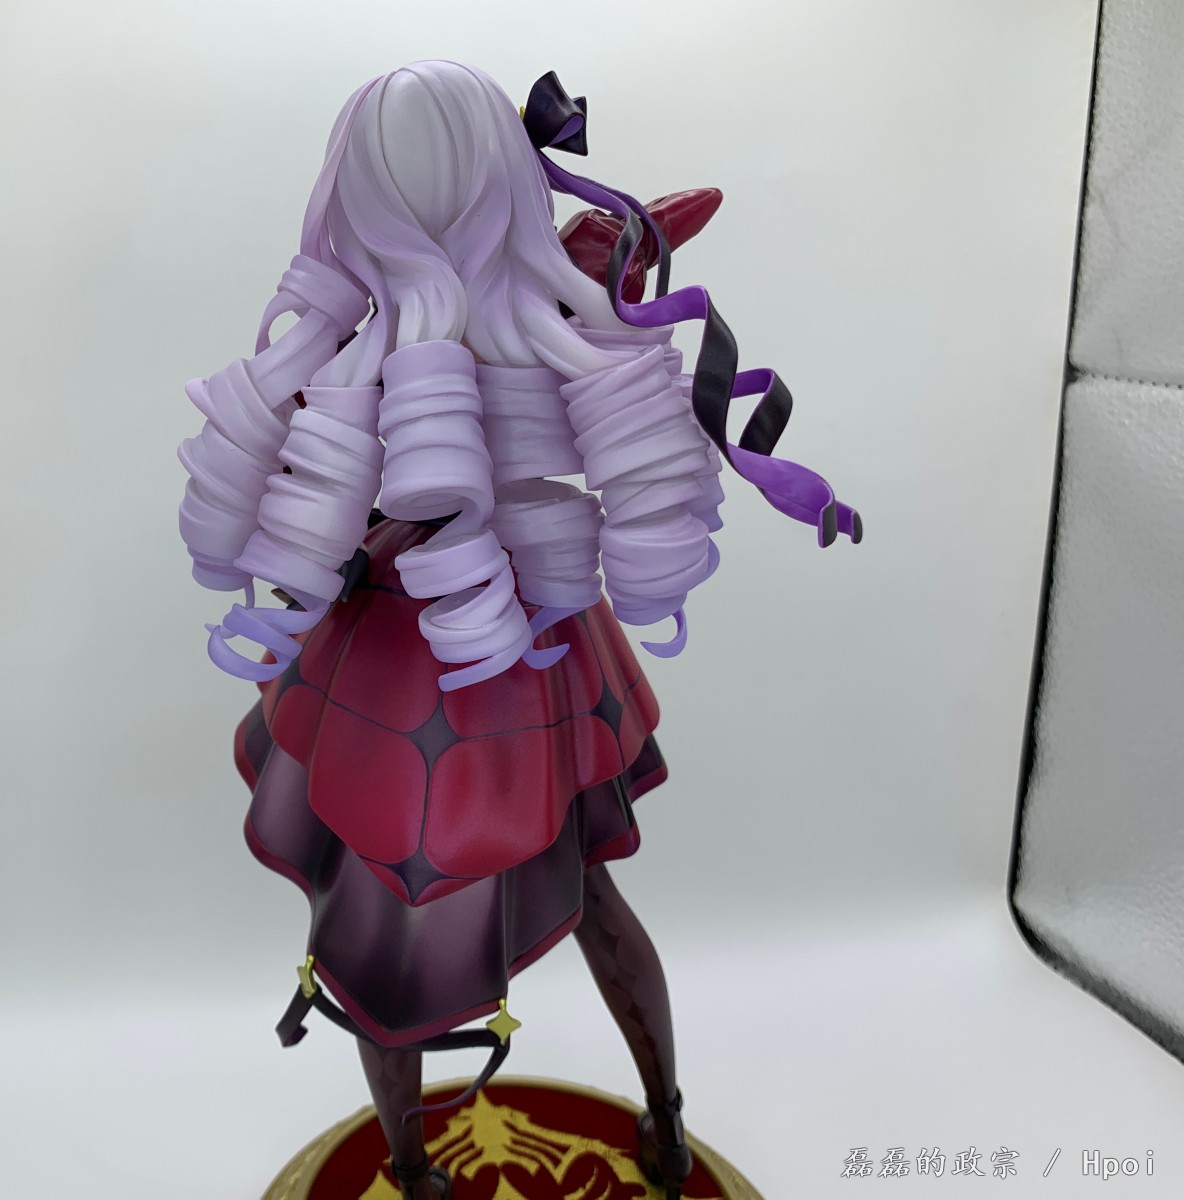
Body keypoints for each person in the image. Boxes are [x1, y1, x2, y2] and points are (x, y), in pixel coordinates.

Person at [179, 60, 858, 1200]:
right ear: (506, 170)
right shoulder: (516, 326)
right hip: (500, 659)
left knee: (394, 938)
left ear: (353, 192)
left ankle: (457, 1160)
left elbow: (299, 506)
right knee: (533, 909)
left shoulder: (381, 348)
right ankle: (636, 1127)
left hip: (443, 665)